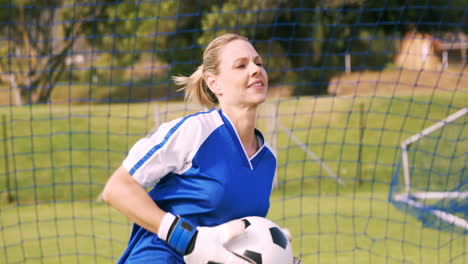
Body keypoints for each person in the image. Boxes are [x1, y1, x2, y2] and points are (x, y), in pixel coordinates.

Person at [102, 33, 277, 263]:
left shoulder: (268, 159)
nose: (255, 69)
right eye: (241, 65)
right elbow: (117, 188)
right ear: (214, 83)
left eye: (258, 62)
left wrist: (274, 252)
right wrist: (187, 238)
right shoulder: (195, 131)